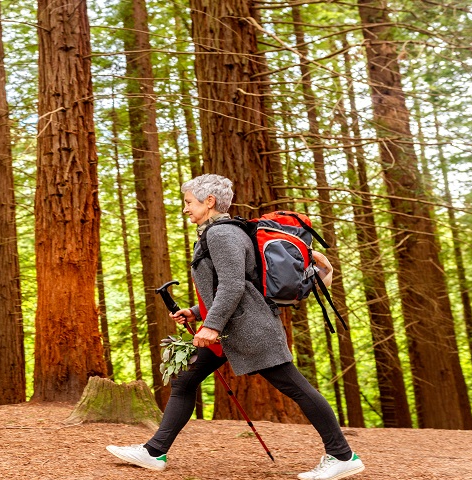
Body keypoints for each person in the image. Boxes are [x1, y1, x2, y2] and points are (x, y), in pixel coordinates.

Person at [106, 174, 365, 480]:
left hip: (249, 328)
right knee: (185, 381)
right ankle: (153, 452)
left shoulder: (222, 235)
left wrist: (211, 326)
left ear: (209, 202)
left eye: (189, 202)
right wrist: (194, 311)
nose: (186, 209)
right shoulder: (223, 232)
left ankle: (342, 455)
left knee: (296, 387)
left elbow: (232, 286)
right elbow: (231, 286)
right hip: (234, 328)